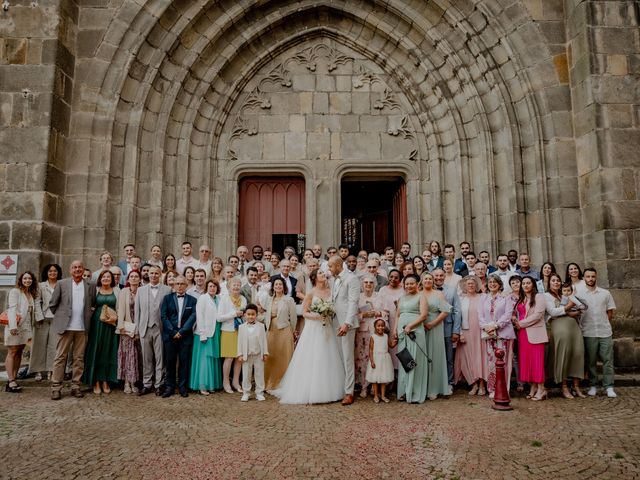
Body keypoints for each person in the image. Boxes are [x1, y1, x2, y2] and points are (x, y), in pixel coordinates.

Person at [272, 269, 345, 404]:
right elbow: (305, 313)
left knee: (327, 356)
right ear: (314, 278)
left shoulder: (331, 292)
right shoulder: (311, 293)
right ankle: (310, 390)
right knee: (313, 357)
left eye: (324, 273)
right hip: (313, 328)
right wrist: (316, 316)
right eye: (321, 274)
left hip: (327, 327)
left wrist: (327, 313)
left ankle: (329, 389)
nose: (324, 275)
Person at [49, 261, 96, 400]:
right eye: (74, 267)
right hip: (65, 327)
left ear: (83, 269)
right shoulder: (62, 284)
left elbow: (92, 303)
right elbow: (53, 304)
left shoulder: (90, 285)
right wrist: (61, 317)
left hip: (82, 327)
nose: (77, 269)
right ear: (70, 270)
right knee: (60, 357)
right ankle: (56, 387)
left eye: (80, 267)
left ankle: (76, 386)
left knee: (79, 358)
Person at [576, 268, 617, 398]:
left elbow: (610, 312)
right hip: (588, 332)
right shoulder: (580, 295)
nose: (590, 279)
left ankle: (609, 386)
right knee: (591, 361)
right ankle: (593, 385)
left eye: (593, 276)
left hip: (605, 332)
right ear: (584, 278)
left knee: (608, 360)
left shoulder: (605, 293)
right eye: (588, 276)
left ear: (596, 277)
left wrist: (603, 322)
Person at [545, 274, 585, 399]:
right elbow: (552, 312)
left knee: (578, 353)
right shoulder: (545, 296)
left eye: (558, 280)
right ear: (549, 282)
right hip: (558, 326)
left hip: (573, 326)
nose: (556, 282)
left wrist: (573, 310)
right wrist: (569, 306)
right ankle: (564, 386)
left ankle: (576, 385)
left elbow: (579, 308)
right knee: (564, 354)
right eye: (553, 280)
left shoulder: (565, 294)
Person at [328, 255, 360, 405]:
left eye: (330, 266)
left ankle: (349, 392)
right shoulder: (336, 279)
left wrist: (347, 323)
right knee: (339, 357)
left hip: (347, 324)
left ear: (338, 266)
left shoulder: (351, 278)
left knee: (347, 358)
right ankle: (340, 388)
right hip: (335, 321)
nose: (329, 269)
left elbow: (353, 302)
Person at [135, 265, 172, 396]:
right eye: (151, 273)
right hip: (145, 327)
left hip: (161, 328)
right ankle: (146, 384)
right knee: (146, 358)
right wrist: (137, 329)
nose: (154, 275)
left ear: (160, 274)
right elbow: (137, 312)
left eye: (156, 273)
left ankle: (159, 384)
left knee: (160, 357)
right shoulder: (141, 290)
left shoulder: (168, 290)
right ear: (148, 274)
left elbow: (169, 311)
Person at [4, 271, 43, 392]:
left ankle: (14, 378)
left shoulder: (30, 293)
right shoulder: (15, 292)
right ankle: (10, 381)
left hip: (26, 327)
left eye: (30, 279)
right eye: (25, 278)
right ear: (21, 280)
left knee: (19, 351)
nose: (27, 280)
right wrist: (13, 326)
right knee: (12, 351)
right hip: (15, 326)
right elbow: (12, 309)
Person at [478, 274, 516, 398]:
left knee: (504, 362)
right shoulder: (484, 298)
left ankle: (504, 388)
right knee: (491, 362)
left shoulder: (506, 298)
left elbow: (508, 314)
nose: (492, 284)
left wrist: (495, 326)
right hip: (489, 335)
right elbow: (480, 315)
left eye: (495, 282)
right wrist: (486, 327)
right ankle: (492, 389)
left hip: (503, 334)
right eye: (490, 282)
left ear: (499, 284)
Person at [83, 269, 119, 395]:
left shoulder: (117, 290)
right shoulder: (95, 289)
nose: (106, 279)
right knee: (96, 350)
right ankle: (96, 381)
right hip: (96, 324)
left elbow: (119, 307)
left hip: (111, 324)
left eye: (108, 277)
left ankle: (105, 380)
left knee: (108, 351)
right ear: (100, 279)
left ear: (112, 279)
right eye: (104, 277)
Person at [160, 275, 197, 398]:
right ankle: (169, 387)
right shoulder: (167, 298)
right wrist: (172, 332)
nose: (180, 286)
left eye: (182, 284)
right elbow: (164, 317)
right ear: (174, 285)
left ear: (186, 286)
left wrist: (182, 331)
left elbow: (193, 317)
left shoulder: (193, 300)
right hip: (170, 336)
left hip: (185, 336)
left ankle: (182, 387)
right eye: (177, 284)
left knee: (184, 363)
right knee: (169, 363)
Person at [513, 276, 547, 401]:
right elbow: (519, 313)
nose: (526, 285)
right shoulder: (521, 299)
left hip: (535, 333)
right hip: (523, 334)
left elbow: (538, 315)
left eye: (528, 283)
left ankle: (541, 389)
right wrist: (515, 320)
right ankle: (533, 387)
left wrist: (520, 323)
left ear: (533, 285)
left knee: (537, 362)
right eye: (524, 283)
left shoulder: (539, 297)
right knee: (528, 362)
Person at [356, 275, 391, 398]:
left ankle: (374, 385)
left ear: (375, 284)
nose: (368, 284)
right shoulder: (358, 297)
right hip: (362, 331)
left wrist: (378, 313)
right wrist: (364, 314)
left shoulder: (380, 296)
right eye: (366, 282)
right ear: (362, 284)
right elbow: (353, 315)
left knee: (376, 359)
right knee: (363, 359)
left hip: (377, 332)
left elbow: (386, 312)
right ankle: (364, 386)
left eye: (371, 282)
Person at [396, 274, 428, 403]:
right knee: (404, 359)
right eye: (407, 284)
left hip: (415, 331)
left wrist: (410, 325)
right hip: (402, 332)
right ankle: (404, 390)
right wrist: (394, 330)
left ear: (417, 284)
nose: (409, 286)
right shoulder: (402, 298)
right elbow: (398, 315)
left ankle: (414, 392)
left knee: (414, 360)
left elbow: (424, 315)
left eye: (411, 283)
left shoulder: (421, 296)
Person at [421, 272, 453, 400]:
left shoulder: (438, 294)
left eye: (430, 279)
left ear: (433, 281)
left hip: (435, 326)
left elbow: (446, 311)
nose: (428, 280)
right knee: (422, 356)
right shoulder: (418, 293)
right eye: (425, 279)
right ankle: (422, 387)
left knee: (434, 356)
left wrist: (432, 324)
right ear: (422, 281)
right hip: (420, 326)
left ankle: (434, 388)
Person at [454, 276, 488, 396]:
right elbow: (457, 318)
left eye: (473, 284)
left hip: (480, 331)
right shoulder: (461, 299)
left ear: (477, 285)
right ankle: (473, 384)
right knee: (468, 358)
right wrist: (460, 333)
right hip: (466, 331)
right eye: (468, 284)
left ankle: (482, 384)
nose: (471, 285)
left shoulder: (482, 297)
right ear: (464, 286)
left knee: (481, 357)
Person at [263, 277, 297, 391]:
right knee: (271, 357)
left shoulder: (289, 300)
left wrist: (293, 332)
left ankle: (283, 384)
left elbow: (293, 318)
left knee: (284, 357)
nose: (278, 286)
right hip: (271, 331)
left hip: (284, 330)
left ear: (284, 287)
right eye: (276, 284)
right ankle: (269, 383)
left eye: (280, 284)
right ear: (273, 286)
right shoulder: (268, 300)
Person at [191, 279, 223, 395]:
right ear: (207, 287)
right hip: (205, 333)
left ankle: (211, 385)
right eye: (210, 286)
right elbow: (200, 316)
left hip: (216, 332)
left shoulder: (218, 299)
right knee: (205, 359)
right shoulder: (203, 298)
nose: (212, 288)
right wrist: (202, 333)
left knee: (213, 358)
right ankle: (202, 385)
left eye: (214, 286)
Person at [31, 264, 62, 382]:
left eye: (55, 271)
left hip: (56, 318)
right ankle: (38, 371)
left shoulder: (61, 284)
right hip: (42, 318)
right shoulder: (40, 285)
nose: (53, 273)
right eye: (50, 271)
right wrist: (39, 317)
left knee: (54, 346)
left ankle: (51, 370)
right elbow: (37, 301)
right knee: (39, 345)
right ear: (46, 272)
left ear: (58, 273)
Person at [432, 268, 461, 387]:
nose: (438, 278)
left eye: (441, 275)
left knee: (449, 358)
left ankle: (449, 382)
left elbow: (457, 311)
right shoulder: (429, 289)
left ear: (445, 276)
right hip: (432, 329)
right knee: (435, 357)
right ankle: (436, 382)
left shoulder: (451, 290)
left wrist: (456, 331)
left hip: (447, 329)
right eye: (436, 276)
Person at [217, 276, 246, 393]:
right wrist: (234, 314)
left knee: (239, 358)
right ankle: (226, 382)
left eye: (238, 285)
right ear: (229, 287)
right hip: (228, 331)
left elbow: (245, 314)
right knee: (229, 358)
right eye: (234, 285)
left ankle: (235, 381)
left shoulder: (243, 299)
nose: (236, 286)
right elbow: (219, 318)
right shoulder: (224, 299)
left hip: (241, 331)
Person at [116, 269, 141, 394]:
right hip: (127, 328)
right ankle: (127, 382)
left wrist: (138, 331)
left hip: (140, 328)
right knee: (127, 356)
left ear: (140, 279)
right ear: (128, 279)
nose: (134, 278)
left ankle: (135, 382)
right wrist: (121, 327)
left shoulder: (142, 291)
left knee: (136, 356)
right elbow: (120, 310)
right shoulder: (123, 291)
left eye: (137, 276)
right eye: (132, 276)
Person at [237, 304, 269, 401]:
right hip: (246, 355)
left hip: (259, 354)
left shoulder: (261, 326)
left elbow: (264, 340)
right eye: (249, 314)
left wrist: (265, 353)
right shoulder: (241, 327)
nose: (251, 316)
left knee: (259, 374)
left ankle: (259, 392)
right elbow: (240, 342)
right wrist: (240, 354)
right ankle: (246, 392)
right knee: (246, 374)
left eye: (253, 314)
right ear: (245, 315)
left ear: (256, 315)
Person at [366, 318, 396, 403]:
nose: (380, 327)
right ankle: (376, 395)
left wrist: (395, 341)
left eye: (382, 326)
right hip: (376, 359)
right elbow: (371, 350)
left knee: (383, 379)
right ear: (375, 327)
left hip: (385, 360)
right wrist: (372, 361)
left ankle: (383, 395)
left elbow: (391, 345)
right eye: (378, 326)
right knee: (375, 379)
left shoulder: (386, 336)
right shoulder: (373, 337)